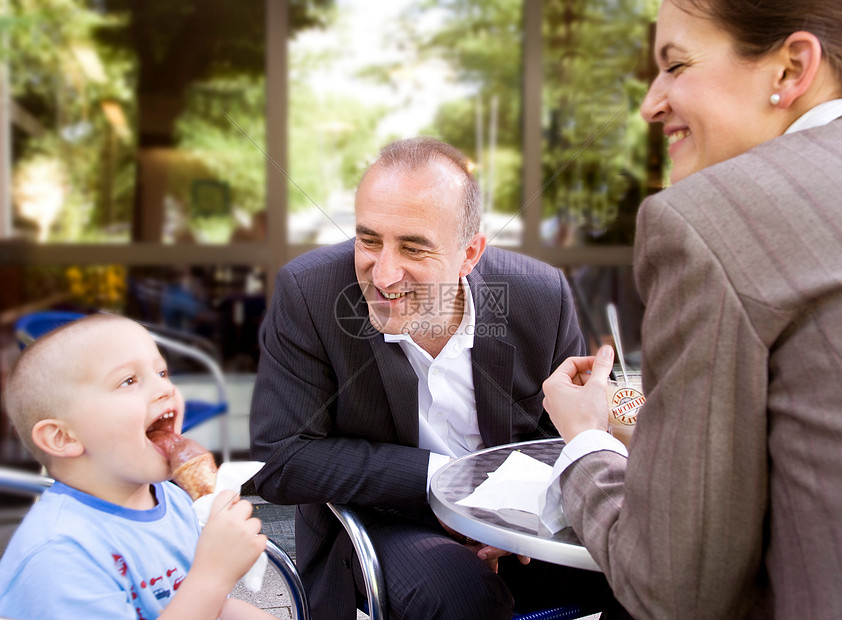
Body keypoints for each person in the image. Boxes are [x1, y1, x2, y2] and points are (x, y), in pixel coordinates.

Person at [540, 1, 842, 617]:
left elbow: (673, 588)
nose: (651, 103)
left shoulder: (710, 218)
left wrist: (584, 442)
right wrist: (641, 419)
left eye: (675, 65)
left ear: (790, 69)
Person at [249, 137, 615, 619]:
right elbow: (281, 457)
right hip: (385, 518)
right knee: (459, 590)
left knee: (649, 555)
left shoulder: (540, 294)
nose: (383, 275)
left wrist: (517, 516)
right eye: (369, 240)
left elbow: (555, 439)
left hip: (520, 520)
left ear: (470, 253)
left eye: (414, 248)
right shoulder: (309, 293)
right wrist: (445, 478)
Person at [0, 314, 273, 620]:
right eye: (128, 381)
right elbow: (203, 591)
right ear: (63, 437)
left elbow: (207, 608)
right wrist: (213, 576)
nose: (166, 388)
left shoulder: (173, 501)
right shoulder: (59, 554)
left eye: (162, 372)